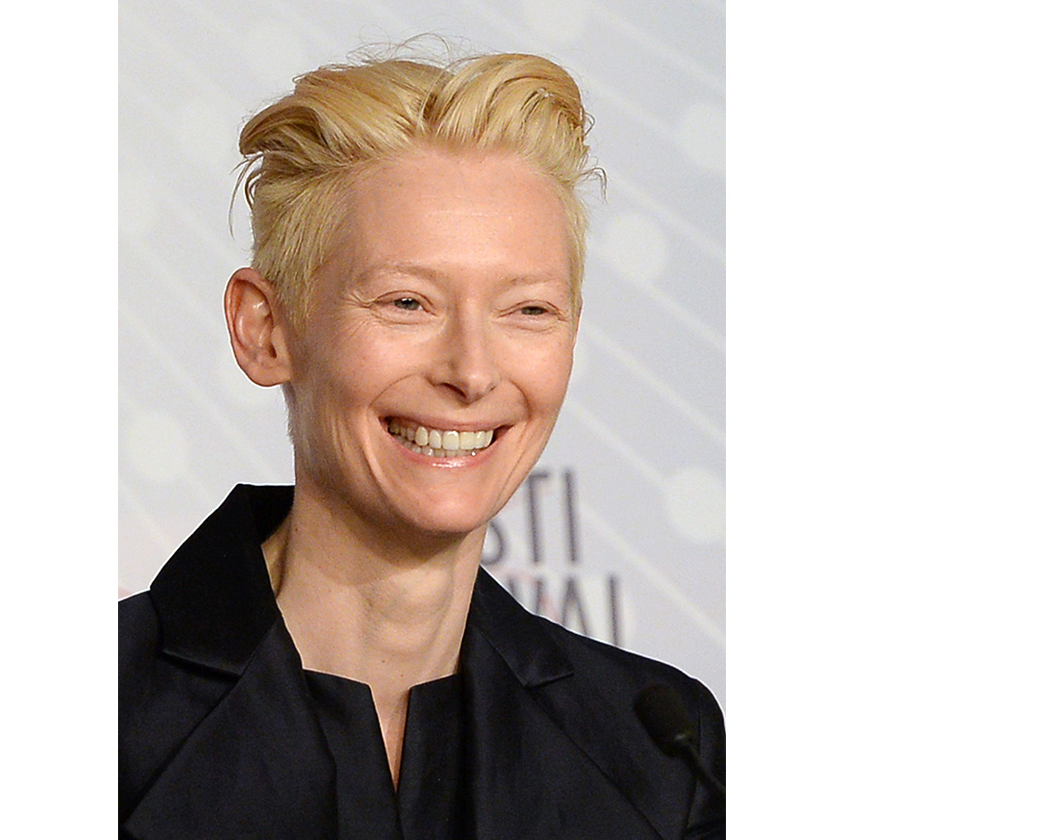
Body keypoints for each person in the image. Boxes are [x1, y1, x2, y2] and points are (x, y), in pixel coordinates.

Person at [119, 49, 725, 840]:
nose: (472, 372)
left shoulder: (659, 757)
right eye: (407, 303)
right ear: (265, 330)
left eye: (528, 310)